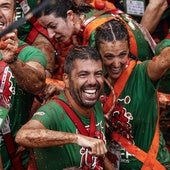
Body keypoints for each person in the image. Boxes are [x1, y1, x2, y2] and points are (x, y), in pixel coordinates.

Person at [15, 46, 115, 170]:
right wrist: (77, 138)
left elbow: (98, 160)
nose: (93, 81)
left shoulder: (95, 104)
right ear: (66, 80)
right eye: (83, 75)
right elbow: (23, 135)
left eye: (98, 74)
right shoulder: (54, 110)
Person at [94, 18, 170, 169]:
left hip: (151, 165)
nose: (116, 64)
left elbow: (163, 61)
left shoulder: (144, 74)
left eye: (122, 55)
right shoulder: (94, 80)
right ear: (98, 54)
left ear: (130, 50)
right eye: (109, 56)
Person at [0, 0, 46, 169]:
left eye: (4, 7)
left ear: (14, 14)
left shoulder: (27, 53)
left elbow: (37, 84)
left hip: (13, 160)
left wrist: (13, 61)